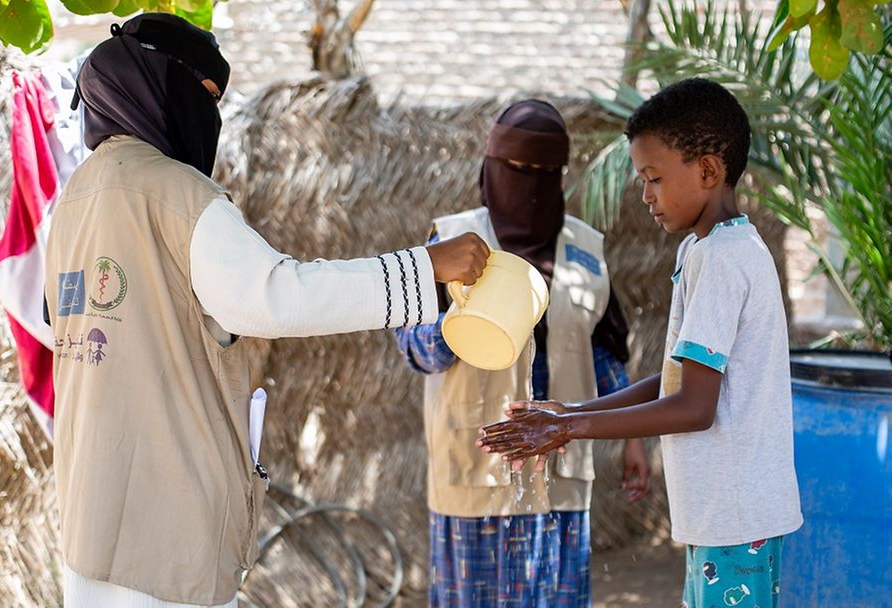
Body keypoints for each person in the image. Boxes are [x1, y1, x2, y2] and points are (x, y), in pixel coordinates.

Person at [43, 13, 490, 608]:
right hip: (162, 531)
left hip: (90, 522)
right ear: (159, 85)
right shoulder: (176, 194)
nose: (212, 119)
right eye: (203, 97)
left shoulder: (74, 198)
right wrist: (422, 269)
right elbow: (272, 297)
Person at [478, 79, 803, 608]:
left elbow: (695, 407)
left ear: (707, 170)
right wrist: (571, 412)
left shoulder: (723, 258)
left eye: (654, 178)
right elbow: (677, 379)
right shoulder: (705, 250)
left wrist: (571, 427)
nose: (645, 194)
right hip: (727, 511)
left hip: (736, 514)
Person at [394, 99, 649, 607]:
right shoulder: (454, 242)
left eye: (543, 171)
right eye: (516, 169)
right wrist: (464, 325)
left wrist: (634, 440)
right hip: (474, 466)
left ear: (560, 175)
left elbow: (603, 350)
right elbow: (415, 352)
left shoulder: (585, 249)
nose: (528, 183)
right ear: (490, 168)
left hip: (558, 470)